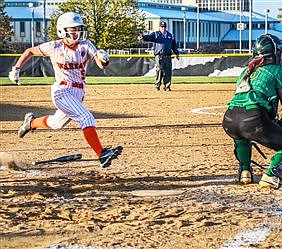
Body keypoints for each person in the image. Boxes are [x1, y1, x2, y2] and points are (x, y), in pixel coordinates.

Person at [8, 12, 123, 168]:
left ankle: (31, 123)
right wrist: (16, 68)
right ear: (62, 31)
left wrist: (104, 61)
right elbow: (29, 51)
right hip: (61, 91)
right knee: (86, 117)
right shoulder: (54, 46)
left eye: (78, 28)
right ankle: (102, 154)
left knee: (56, 123)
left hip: (78, 92)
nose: (77, 32)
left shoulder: (86, 45)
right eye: (72, 29)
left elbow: (99, 63)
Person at [222, 34, 282, 189]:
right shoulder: (278, 70)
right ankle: (271, 175)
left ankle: (244, 171)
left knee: (242, 136)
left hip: (229, 119)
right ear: (273, 54)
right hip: (253, 118)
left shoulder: (245, 72)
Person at [138, 21, 180, 91]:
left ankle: (167, 86)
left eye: (164, 27)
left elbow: (174, 46)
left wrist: (177, 53)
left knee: (168, 71)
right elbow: (149, 37)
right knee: (159, 70)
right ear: (159, 27)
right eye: (162, 27)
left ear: (166, 27)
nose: (163, 28)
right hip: (159, 56)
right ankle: (157, 84)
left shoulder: (170, 35)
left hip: (168, 56)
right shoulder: (156, 34)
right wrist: (143, 37)